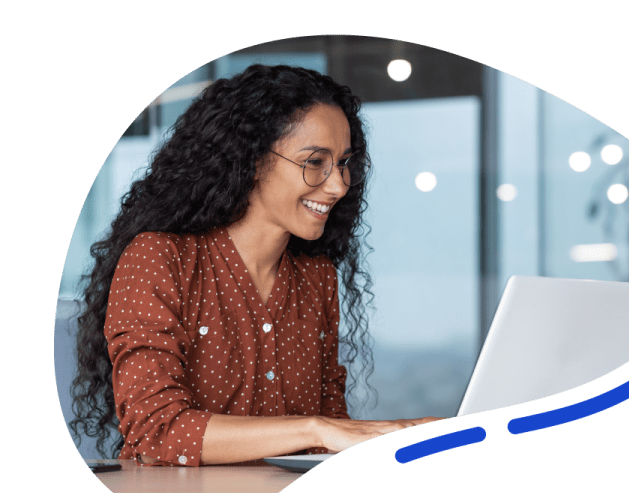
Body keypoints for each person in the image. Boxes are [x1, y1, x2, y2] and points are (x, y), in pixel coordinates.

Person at [70, 64, 440, 466]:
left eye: (343, 163)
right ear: (252, 159)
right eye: (315, 161)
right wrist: (313, 429)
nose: (338, 185)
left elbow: (331, 437)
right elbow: (157, 430)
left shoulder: (316, 279)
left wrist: (392, 446)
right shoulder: (159, 259)